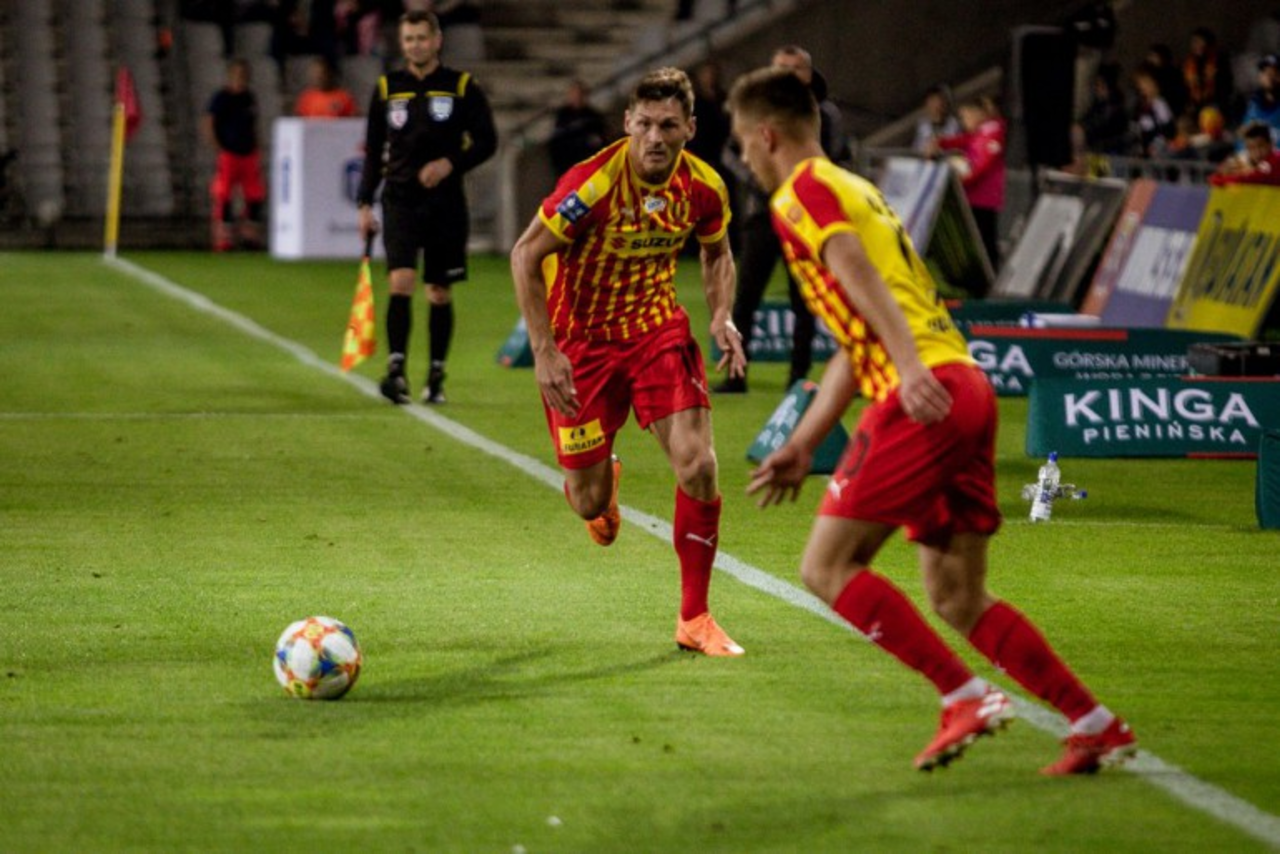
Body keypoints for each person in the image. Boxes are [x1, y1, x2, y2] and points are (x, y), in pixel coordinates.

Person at [728, 66, 1138, 774]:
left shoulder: (803, 191)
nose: (744, 157)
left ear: (767, 135)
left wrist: (910, 367)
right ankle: (1095, 723)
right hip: (965, 387)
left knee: (826, 566)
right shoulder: (859, 189)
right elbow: (855, 338)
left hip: (922, 393)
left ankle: (964, 696)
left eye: (741, 142)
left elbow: (858, 277)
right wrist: (803, 442)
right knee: (956, 595)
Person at [509, 67, 748, 657]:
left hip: (655, 333)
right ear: (627, 123)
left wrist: (722, 315)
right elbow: (525, 255)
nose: (655, 138)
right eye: (644, 124)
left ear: (690, 128)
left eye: (668, 125)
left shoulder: (704, 188)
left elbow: (717, 253)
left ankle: (695, 618)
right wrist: (544, 352)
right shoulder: (591, 185)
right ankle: (603, 484)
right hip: (582, 345)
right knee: (587, 501)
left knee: (699, 465)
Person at [356, 9, 497, 404]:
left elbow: (487, 141)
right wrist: (364, 202)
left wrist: (450, 163)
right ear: (402, 44)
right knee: (401, 281)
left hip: (445, 203)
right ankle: (396, 371)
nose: (415, 45)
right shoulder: (387, 88)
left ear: (437, 40)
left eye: (421, 38)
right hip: (400, 199)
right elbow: (373, 151)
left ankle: (436, 375)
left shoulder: (462, 86)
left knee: (438, 290)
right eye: (409, 39)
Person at [716, 44, 853, 394]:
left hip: (805, 216)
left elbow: (838, 154)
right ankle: (736, 374)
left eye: (796, 68)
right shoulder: (755, 111)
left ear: (809, 73)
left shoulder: (826, 113)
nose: (789, 75)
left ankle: (798, 377)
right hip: (762, 214)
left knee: (805, 300)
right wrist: (756, 179)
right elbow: (730, 153)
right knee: (745, 296)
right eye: (782, 67)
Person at [931, 96, 1006, 279]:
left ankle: (988, 278)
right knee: (979, 240)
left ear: (977, 113)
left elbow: (977, 166)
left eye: (965, 117)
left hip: (983, 199)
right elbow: (965, 141)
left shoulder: (992, 132)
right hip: (974, 196)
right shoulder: (982, 132)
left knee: (984, 242)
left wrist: (958, 174)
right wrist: (942, 142)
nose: (964, 122)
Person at [203, 58, 267, 252]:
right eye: (238, 74)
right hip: (229, 153)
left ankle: (250, 237)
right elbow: (209, 122)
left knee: (255, 195)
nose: (241, 78)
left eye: (244, 75)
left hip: (249, 154)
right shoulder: (221, 98)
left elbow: (253, 124)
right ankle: (224, 238)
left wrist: (257, 145)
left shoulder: (249, 98)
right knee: (223, 195)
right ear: (230, 75)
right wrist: (217, 147)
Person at [548, 79, 607, 177]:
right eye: (574, 94)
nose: (577, 97)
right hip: (568, 161)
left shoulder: (593, 116)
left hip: (588, 160)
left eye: (580, 94)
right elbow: (558, 137)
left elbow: (602, 136)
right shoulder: (563, 115)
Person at [1211, 122, 1280, 186]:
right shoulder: (1245, 161)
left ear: (1270, 144)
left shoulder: (1277, 159)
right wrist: (1223, 173)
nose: (1257, 152)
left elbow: (1252, 179)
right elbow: (1214, 179)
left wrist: (1225, 177)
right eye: (1251, 148)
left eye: (1261, 146)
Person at [293, 56, 359, 118]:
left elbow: (354, 121)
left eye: (321, 73)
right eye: (315, 74)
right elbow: (298, 121)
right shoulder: (306, 98)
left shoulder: (344, 97)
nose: (318, 77)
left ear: (329, 73)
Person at [1238, 54, 1280, 145]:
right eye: (1266, 73)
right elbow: (1242, 140)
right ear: (1260, 77)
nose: (1270, 77)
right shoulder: (1254, 105)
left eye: (1276, 73)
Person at [911, 85, 960, 156]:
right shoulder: (922, 125)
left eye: (938, 101)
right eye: (931, 101)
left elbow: (958, 148)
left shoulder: (953, 123)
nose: (935, 105)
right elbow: (916, 150)